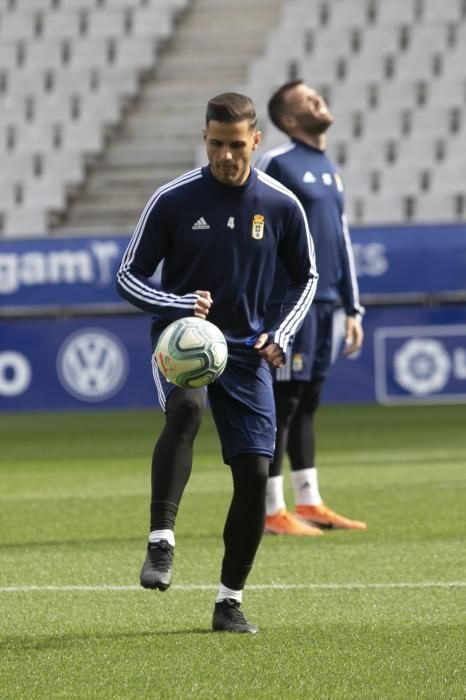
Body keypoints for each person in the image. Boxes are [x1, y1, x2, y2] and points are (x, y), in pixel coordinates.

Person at [116, 92, 318, 633]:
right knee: (186, 410)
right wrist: (178, 304)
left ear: (255, 140)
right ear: (203, 140)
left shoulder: (280, 204)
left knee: (255, 472)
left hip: (249, 350)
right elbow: (127, 276)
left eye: (235, 146)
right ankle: (161, 542)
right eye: (215, 145)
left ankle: (229, 602)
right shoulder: (174, 199)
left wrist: (281, 331)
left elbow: (306, 277)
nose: (225, 156)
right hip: (182, 340)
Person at [255, 80, 367, 536]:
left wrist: (352, 308)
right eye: (307, 98)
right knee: (283, 403)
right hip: (290, 304)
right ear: (288, 119)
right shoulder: (277, 163)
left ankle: (310, 502)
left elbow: (340, 240)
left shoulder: (329, 168)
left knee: (309, 402)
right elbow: (254, 225)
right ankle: (271, 510)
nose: (318, 98)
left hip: (325, 307)